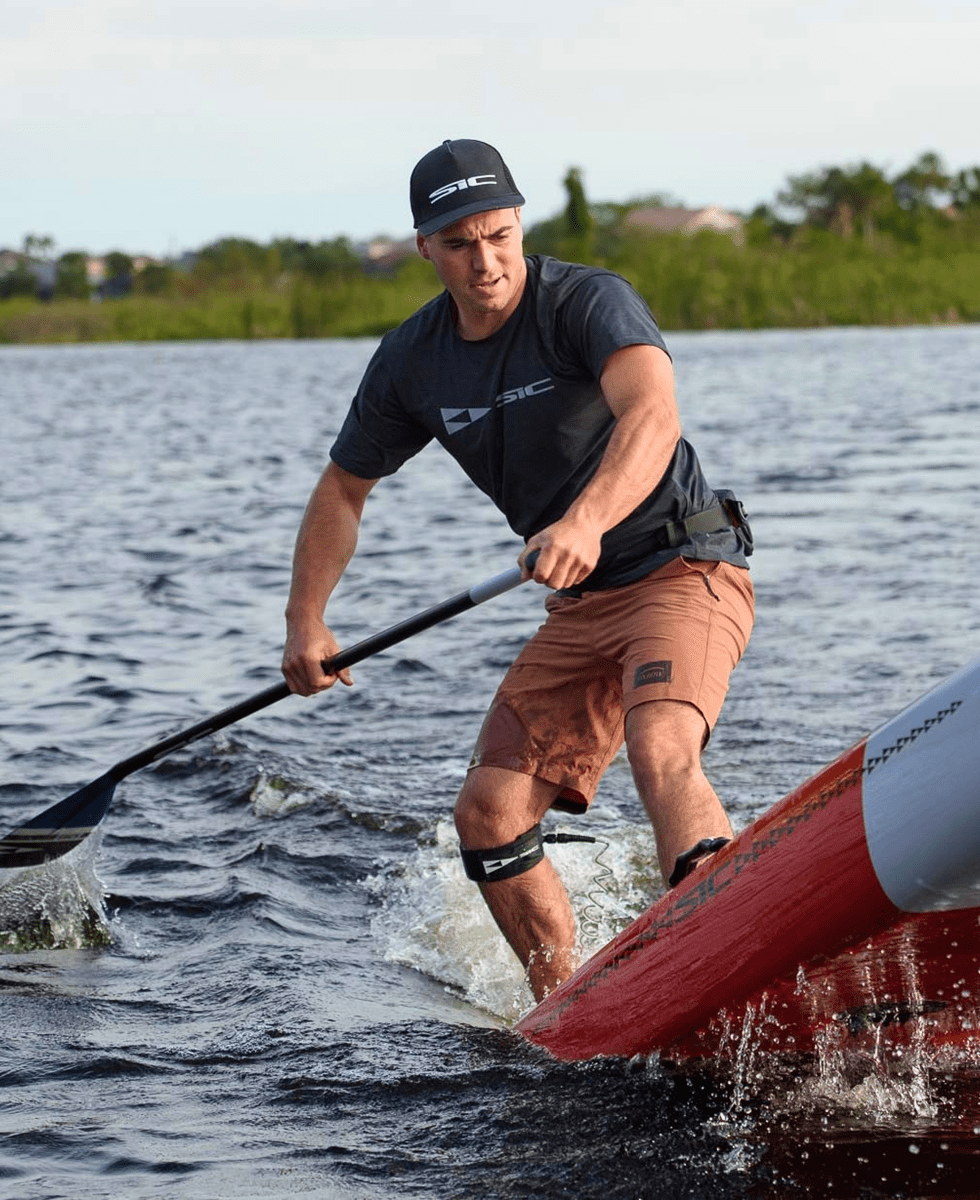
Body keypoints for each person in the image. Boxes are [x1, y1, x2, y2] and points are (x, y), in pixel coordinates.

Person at [280, 139, 755, 1001]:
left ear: (520, 223)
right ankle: (568, 1007)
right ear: (425, 247)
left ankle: (735, 957)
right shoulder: (412, 359)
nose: (485, 260)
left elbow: (651, 411)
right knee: (488, 814)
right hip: (579, 606)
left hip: (682, 566)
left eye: (498, 235)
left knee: (660, 749)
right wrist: (305, 623)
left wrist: (585, 517)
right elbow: (343, 490)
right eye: (460, 244)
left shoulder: (587, 301)